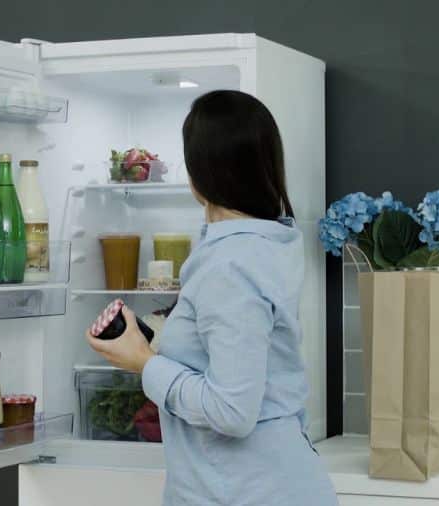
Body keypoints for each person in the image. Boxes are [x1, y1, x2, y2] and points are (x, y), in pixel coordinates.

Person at [86, 90, 338, 506]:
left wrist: (144, 363)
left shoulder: (229, 264)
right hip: (261, 482)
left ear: (198, 173)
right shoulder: (265, 242)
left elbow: (231, 412)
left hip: (251, 490)